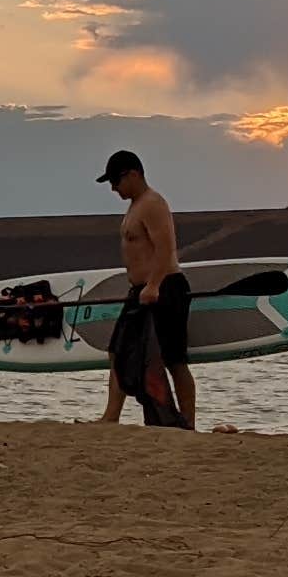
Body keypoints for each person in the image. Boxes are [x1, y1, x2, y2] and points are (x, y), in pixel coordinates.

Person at [93, 149, 193, 429]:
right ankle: (111, 416)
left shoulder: (152, 203)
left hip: (164, 287)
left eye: (116, 181)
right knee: (119, 350)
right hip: (142, 290)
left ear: (133, 174)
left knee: (173, 358)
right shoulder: (136, 205)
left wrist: (154, 285)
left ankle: (188, 423)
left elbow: (166, 248)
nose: (113, 188)